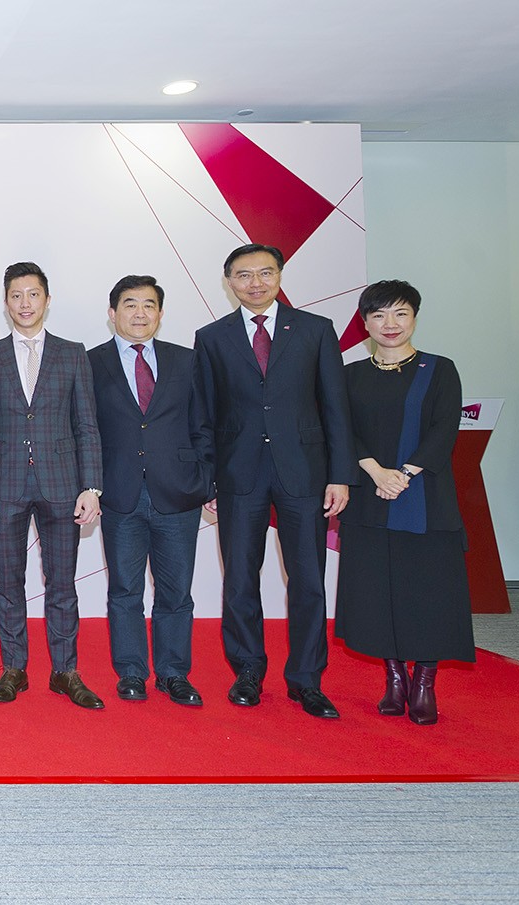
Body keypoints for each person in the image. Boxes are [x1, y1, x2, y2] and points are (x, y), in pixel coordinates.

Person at [190, 242, 352, 719]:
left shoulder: (316, 330)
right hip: (237, 474)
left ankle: (306, 680)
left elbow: (336, 408)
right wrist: (208, 478)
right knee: (240, 578)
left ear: (280, 276)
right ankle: (247, 670)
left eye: (265, 273)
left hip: (304, 472)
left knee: (308, 580)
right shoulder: (211, 337)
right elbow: (204, 414)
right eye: (244, 275)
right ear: (229, 282)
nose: (255, 283)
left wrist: (340, 476)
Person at [0, 262, 106, 710]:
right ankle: (14, 668)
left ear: (47, 299)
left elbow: (87, 425)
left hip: (63, 485)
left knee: (62, 583)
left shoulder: (72, 353)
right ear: (5, 302)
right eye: (16, 295)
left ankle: (66, 671)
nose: (24, 303)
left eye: (33, 294)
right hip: (2, 485)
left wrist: (92, 486)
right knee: (9, 584)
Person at [335, 280, 473, 726]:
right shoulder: (350, 375)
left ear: (414, 316)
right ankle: (395, 678)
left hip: (426, 497)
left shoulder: (440, 369)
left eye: (400, 313)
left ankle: (425, 682)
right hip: (369, 495)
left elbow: (444, 430)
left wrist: (404, 475)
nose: (389, 324)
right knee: (378, 592)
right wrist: (377, 472)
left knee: (429, 592)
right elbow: (342, 431)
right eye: (378, 315)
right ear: (365, 323)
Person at [87, 275, 213, 707]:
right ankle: (131, 672)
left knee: (176, 592)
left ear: (160, 313)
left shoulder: (187, 360)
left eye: (148, 305)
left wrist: (206, 480)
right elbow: (84, 429)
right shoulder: (90, 362)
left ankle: (174, 673)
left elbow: (204, 425)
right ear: (112, 313)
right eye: (129, 304)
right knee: (124, 590)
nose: (139, 313)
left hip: (178, 494)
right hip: (118, 493)